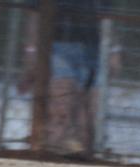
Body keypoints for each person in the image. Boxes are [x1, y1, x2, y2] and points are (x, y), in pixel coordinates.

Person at [21, 0, 103, 155]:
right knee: (60, 111)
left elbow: (106, 15)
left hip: (92, 51)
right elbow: (34, 12)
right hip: (56, 46)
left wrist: (113, 49)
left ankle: (81, 165)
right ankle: (49, 158)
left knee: (86, 118)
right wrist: (32, 51)